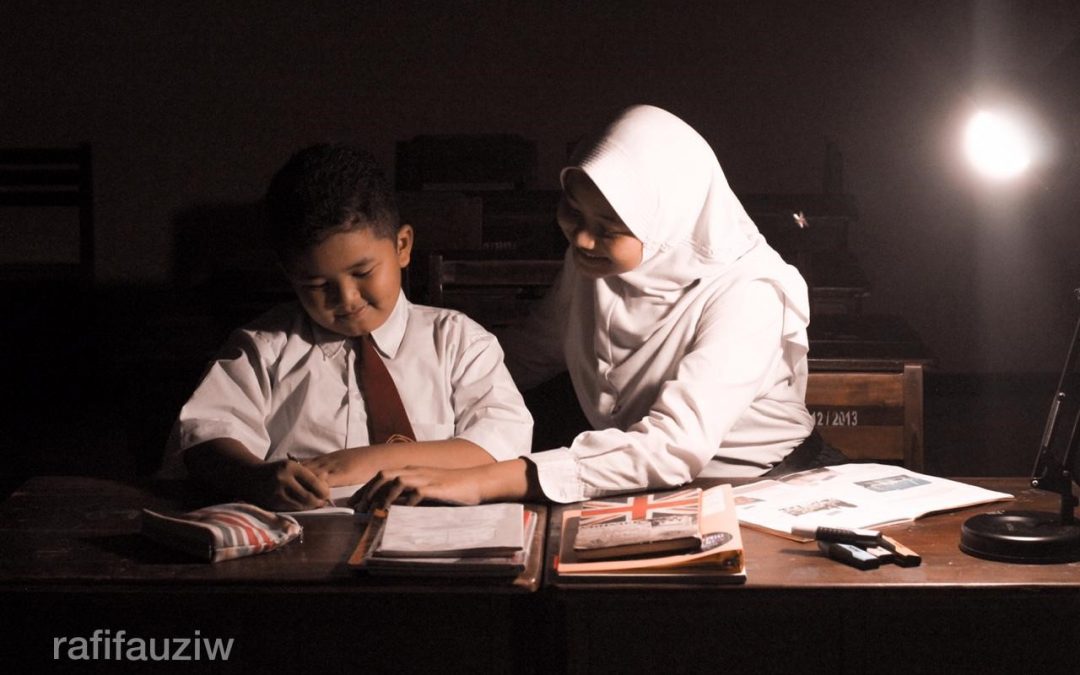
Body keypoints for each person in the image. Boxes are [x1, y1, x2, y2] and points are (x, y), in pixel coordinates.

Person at [353, 104, 844, 509]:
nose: (583, 239)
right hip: (646, 486)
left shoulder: (746, 292)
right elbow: (529, 354)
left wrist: (481, 480)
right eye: (573, 211)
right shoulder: (594, 260)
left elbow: (673, 447)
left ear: (662, 218)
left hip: (770, 488)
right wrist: (407, 405)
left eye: (609, 227)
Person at [162, 143, 532, 510]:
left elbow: (503, 441)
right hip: (306, 541)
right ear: (289, 275)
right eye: (316, 285)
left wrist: (367, 461)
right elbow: (205, 435)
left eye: (362, 272)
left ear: (402, 246)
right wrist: (255, 478)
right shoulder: (265, 347)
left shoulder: (459, 341)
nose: (347, 298)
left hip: (440, 540)